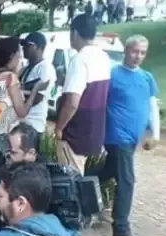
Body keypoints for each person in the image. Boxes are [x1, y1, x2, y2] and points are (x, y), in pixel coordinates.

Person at [97, 35, 160, 236]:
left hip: (133, 139)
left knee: (107, 172)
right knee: (127, 181)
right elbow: (100, 102)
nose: (138, 56)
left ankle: (78, 189)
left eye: (143, 52)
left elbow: (152, 106)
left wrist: (156, 134)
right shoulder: (112, 74)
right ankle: (121, 230)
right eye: (135, 51)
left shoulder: (147, 77)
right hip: (117, 136)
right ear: (126, 50)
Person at [54, 14, 111, 175]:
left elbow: (72, 102)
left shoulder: (79, 60)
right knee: (80, 176)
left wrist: (59, 128)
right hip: (94, 131)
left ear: (75, 33)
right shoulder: (104, 57)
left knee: (71, 180)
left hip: (75, 134)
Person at [0, 37, 43, 168]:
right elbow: (22, 111)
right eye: (19, 55)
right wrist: (36, 90)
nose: (20, 59)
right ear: (12, 55)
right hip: (5, 138)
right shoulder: (10, 77)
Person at [19, 32, 57, 142]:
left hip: (33, 125)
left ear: (36, 47)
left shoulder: (46, 68)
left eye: (26, 46)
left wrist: (16, 99)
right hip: (20, 123)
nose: (23, 49)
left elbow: (37, 97)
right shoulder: (25, 68)